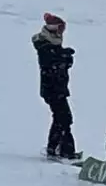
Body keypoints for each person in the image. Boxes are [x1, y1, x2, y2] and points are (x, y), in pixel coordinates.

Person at [32, 13, 78, 159]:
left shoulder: (53, 43)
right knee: (64, 118)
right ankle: (63, 150)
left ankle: (57, 148)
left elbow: (61, 63)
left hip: (58, 88)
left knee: (62, 118)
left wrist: (65, 57)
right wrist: (64, 57)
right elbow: (52, 63)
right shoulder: (45, 45)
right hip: (53, 89)